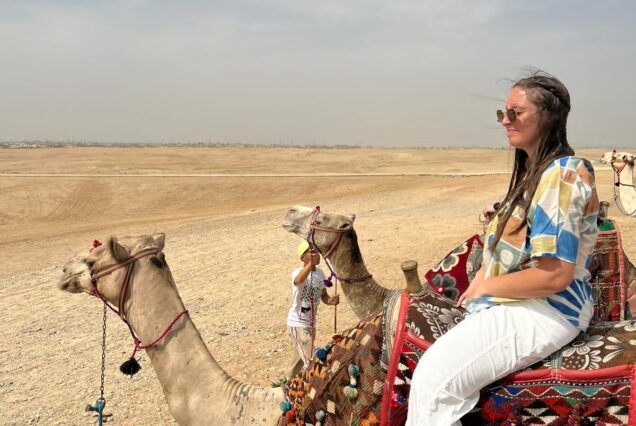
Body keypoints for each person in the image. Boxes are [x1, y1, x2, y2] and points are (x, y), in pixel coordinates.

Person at [406, 72, 599, 425]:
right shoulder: (535, 174)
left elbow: (555, 275)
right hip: (520, 303)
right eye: (502, 113)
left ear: (548, 116)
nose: (505, 121)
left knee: (434, 382)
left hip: (546, 308)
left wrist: (486, 287)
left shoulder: (563, 174)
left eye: (515, 113)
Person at [286, 240, 339, 376]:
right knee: (311, 360)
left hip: (311, 325)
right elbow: (298, 281)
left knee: (298, 361)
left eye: (317, 251)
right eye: (311, 252)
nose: (316, 254)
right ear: (303, 257)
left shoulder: (320, 274)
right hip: (297, 324)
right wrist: (311, 264)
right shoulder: (298, 272)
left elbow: (323, 295)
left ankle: (287, 381)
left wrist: (330, 301)